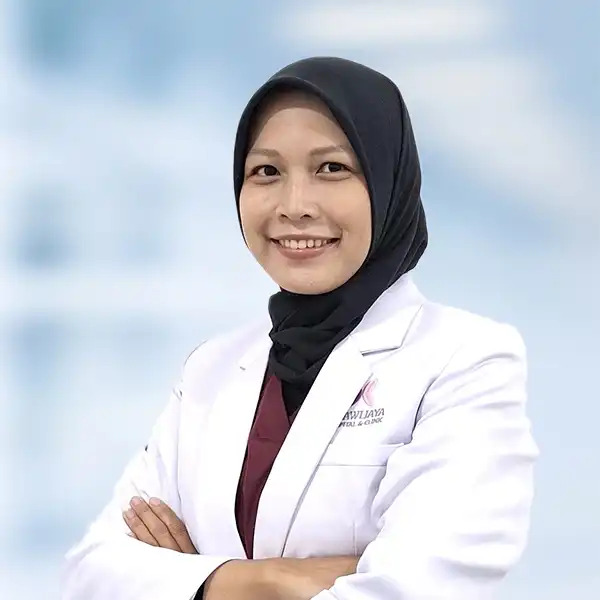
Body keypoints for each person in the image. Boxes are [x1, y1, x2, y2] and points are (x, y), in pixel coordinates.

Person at [62, 57, 538, 600]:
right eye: (266, 172)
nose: (295, 207)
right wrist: (269, 579)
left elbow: (419, 588)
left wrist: (191, 581)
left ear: (389, 183)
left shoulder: (465, 360)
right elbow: (90, 574)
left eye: (331, 168)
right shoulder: (210, 369)